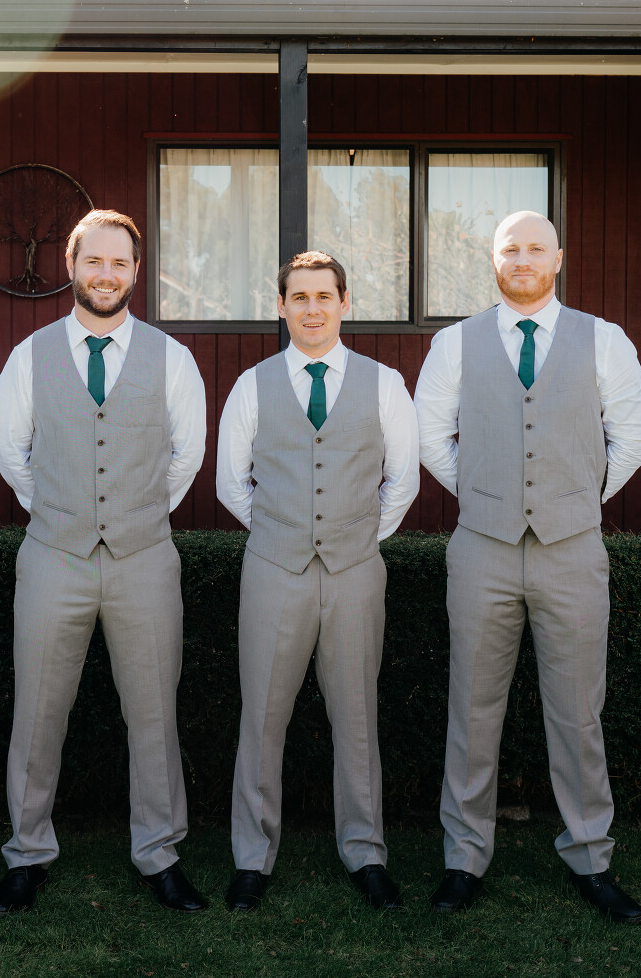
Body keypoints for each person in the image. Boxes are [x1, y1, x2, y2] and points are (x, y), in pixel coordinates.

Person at [414, 210, 641, 923]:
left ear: (558, 258)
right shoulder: (454, 343)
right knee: (472, 708)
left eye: (535, 249)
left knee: (578, 713)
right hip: (481, 548)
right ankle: (463, 858)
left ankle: (591, 857)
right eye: (510, 249)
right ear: (494, 261)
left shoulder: (604, 339)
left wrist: (576, 499)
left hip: (572, 549)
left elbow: (633, 438)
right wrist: (486, 495)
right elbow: (430, 435)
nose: (522, 259)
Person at [0, 209, 209, 913]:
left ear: (136, 271)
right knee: (38, 710)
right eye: (94, 261)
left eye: (119, 262)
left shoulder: (172, 359)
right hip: (53, 555)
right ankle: (26, 853)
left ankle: (160, 852)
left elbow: (187, 455)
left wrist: (135, 512)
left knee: (153, 712)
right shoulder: (29, 356)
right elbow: (12, 453)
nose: (106, 274)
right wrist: (61, 510)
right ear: (71, 267)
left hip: (145, 556)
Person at [215, 251, 420, 913]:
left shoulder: (384, 383)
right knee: (262, 716)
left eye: (323, 296)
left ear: (344, 302)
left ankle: (366, 852)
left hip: (357, 572)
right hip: (273, 571)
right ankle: (252, 857)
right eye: (298, 297)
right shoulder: (252, 386)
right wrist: (283, 533)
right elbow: (230, 483)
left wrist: (356, 537)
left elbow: (403, 480)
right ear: (281, 306)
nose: (311, 308)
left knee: (357, 716)